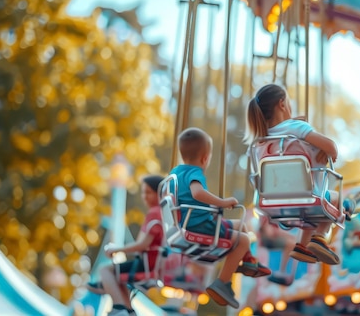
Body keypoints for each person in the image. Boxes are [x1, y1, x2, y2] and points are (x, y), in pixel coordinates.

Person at [170, 127, 271, 309]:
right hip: (200, 225)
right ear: (205, 158)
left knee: (241, 225)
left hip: (194, 221)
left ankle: (248, 262)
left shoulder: (175, 173)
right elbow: (197, 192)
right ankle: (222, 282)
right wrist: (222, 202)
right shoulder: (195, 172)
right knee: (243, 239)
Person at [244, 83, 343, 265]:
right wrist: (325, 149)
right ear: (282, 104)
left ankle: (302, 246)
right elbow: (332, 148)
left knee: (310, 212)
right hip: (306, 195)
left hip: (273, 200)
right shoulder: (296, 128)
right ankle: (320, 238)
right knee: (336, 199)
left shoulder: (258, 142)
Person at [87, 175, 165, 315]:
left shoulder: (155, 213)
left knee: (105, 270)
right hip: (154, 263)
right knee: (118, 277)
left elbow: (142, 244)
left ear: (158, 193)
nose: (144, 197)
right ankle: (128, 310)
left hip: (148, 264)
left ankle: (119, 308)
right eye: (143, 192)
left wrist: (116, 249)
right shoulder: (162, 213)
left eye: (148, 193)